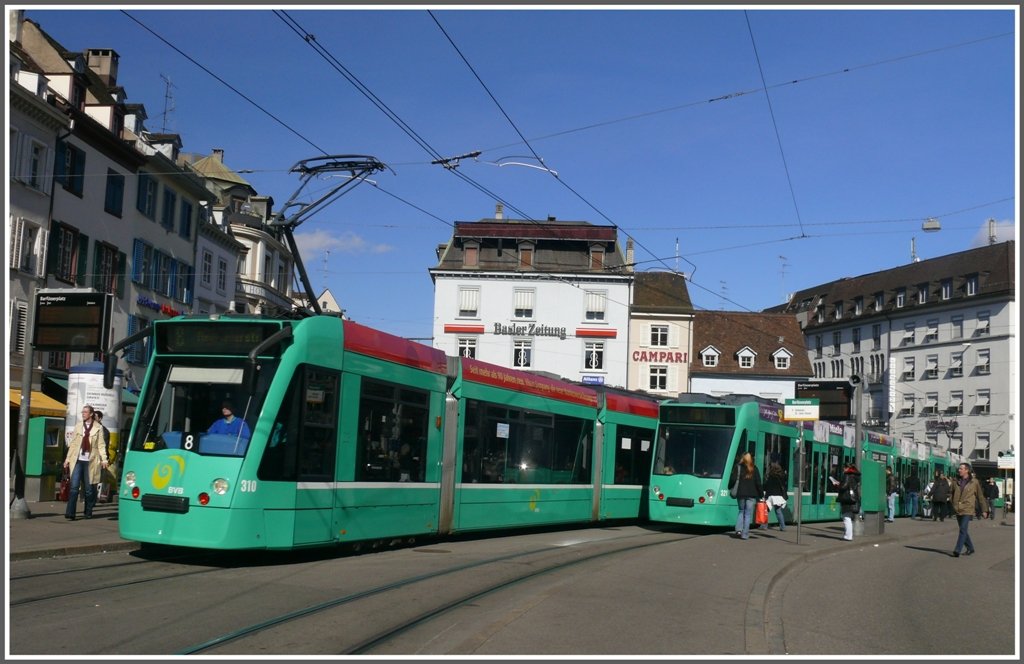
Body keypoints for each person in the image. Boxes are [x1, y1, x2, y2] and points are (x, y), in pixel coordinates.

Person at [63, 404, 110, 520]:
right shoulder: (78, 426)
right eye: (82, 412)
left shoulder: (98, 428)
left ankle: (88, 512)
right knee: (74, 488)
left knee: (89, 490)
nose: (83, 414)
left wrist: (104, 459)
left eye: (85, 412)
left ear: (91, 414)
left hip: (91, 462)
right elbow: (73, 444)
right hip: (77, 460)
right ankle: (70, 513)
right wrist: (67, 459)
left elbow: (101, 445)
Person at [950, 462, 988, 557]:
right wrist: (953, 503)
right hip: (958, 508)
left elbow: (980, 496)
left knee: (963, 529)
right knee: (963, 530)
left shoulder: (974, 482)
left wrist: (984, 510)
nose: (959, 470)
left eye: (961, 469)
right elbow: (950, 493)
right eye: (959, 469)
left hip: (968, 508)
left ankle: (957, 550)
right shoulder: (955, 481)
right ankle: (970, 548)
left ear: (967, 470)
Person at [731, 452, 762, 540]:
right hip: (751, 495)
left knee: (741, 511)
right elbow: (758, 483)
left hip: (740, 493)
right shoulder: (754, 468)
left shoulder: (738, 467)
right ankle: (744, 535)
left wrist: (730, 487)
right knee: (748, 514)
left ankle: (738, 530)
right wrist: (761, 494)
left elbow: (733, 479)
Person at [838, 462, 861, 541]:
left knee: (846, 518)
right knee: (848, 518)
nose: (843, 470)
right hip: (852, 499)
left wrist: (838, 484)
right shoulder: (855, 475)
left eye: (844, 468)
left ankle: (848, 536)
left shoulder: (847, 475)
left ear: (846, 468)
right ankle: (848, 535)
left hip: (847, 499)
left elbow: (844, 486)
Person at [761, 461, 788, 531]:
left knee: (766, 511)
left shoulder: (771, 477)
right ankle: (783, 526)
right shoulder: (782, 477)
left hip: (771, 496)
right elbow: (784, 487)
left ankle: (764, 525)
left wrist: (766, 496)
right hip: (778, 496)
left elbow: (767, 487)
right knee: (778, 511)